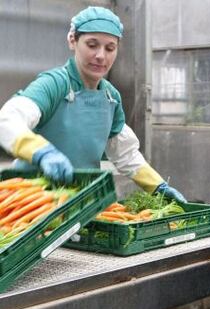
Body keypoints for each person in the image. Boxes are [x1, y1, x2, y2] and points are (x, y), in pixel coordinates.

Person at [0, 6, 186, 203]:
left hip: (79, 202)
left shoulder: (110, 97)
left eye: (110, 48)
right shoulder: (55, 84)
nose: (101, 56)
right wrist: (42, 153)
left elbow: (125, 154)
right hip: (29, 203)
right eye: (92, 45)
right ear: (73, 40)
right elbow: (6, 120)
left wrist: (157, 186)